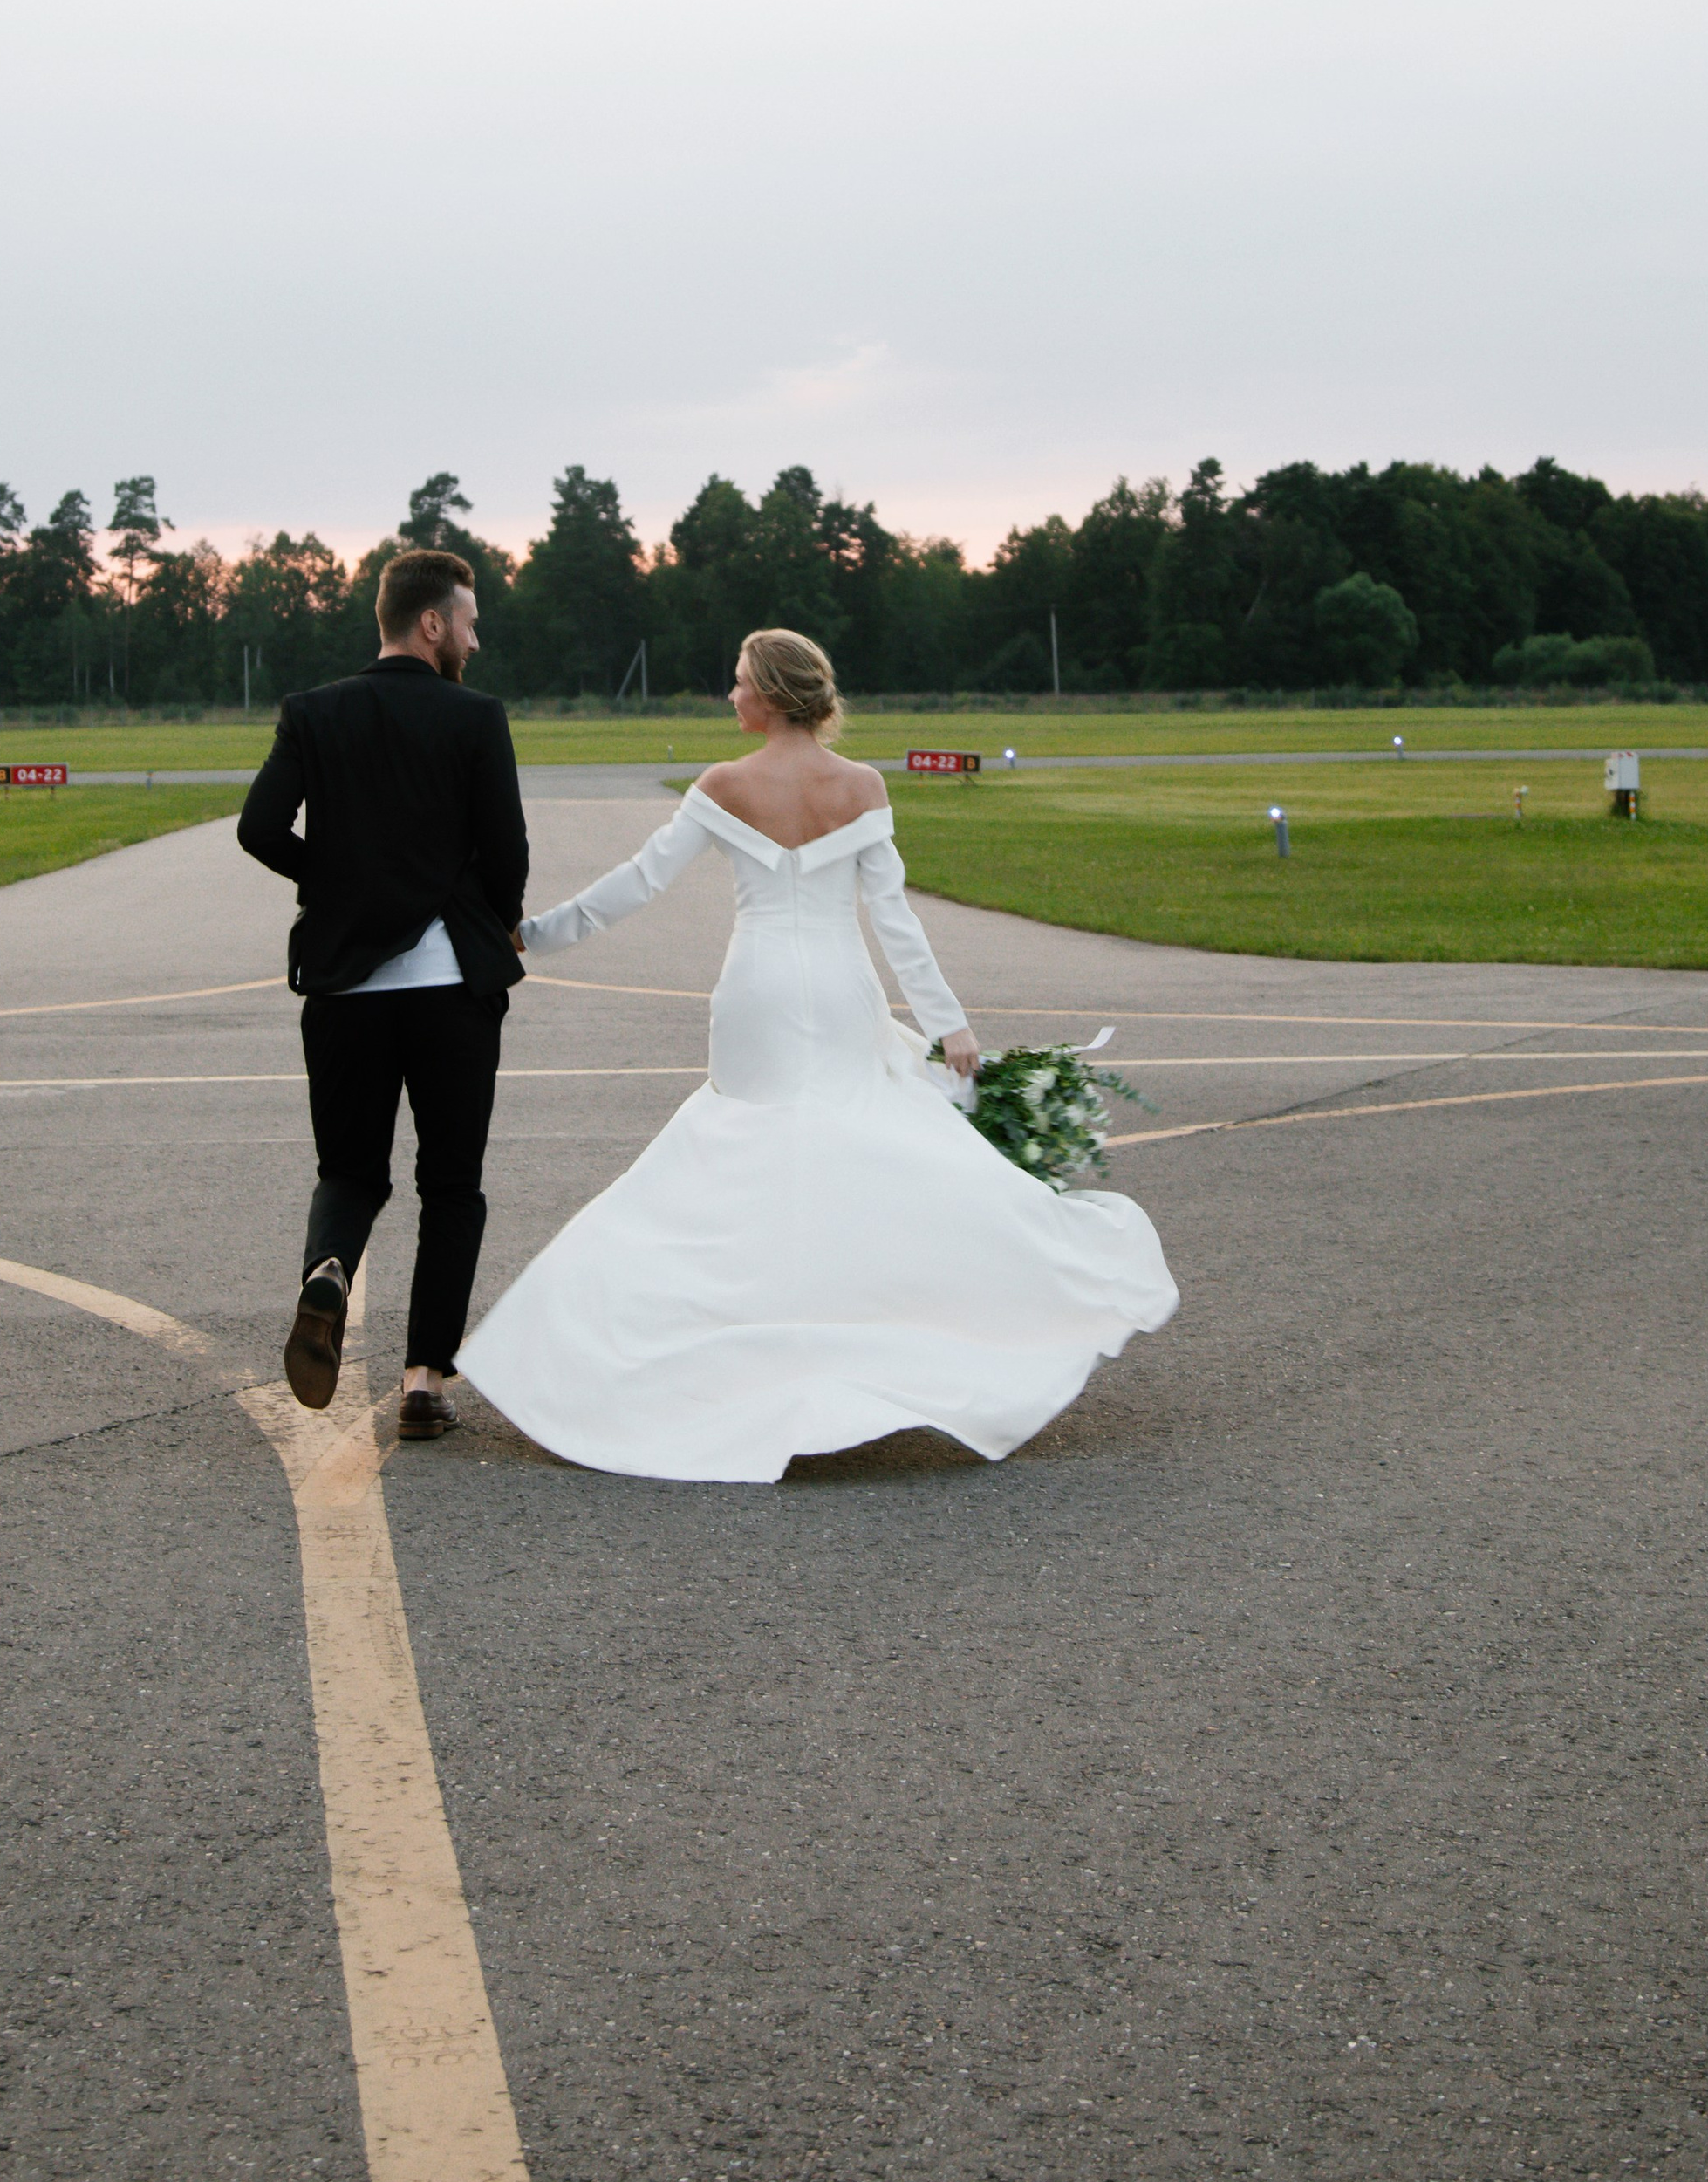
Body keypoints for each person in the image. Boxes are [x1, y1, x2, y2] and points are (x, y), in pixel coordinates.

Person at [459, 627, 1178, 1482]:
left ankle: (716, 1351)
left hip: (757, 995)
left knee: (741, 1157)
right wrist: (949, 1025)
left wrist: (533, 936)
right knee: (852, 1148)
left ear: (768, 693)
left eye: (736, 684)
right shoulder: (861, 785)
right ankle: (877, 1331)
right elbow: (894, 920)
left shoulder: (724, 785)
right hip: (840, 991)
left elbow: (639, 881)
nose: (729, 697)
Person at [236, 546, 527, 1440]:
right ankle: (423, 1381)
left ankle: (328, 1269)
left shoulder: (314, 713)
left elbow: (258, 828)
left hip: (345, 992)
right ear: (432, 623)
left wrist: (337, 881)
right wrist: (493, 918)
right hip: (448, 990)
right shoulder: (474, 717)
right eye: (469, 621)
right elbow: (506, 853)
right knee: (452, 1187)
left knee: (350, 1171)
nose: (474, 637)